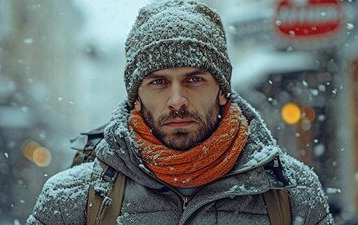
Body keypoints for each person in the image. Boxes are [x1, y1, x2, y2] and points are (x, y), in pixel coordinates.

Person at [27, 1, 333, 224]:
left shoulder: (293, 192)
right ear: (136, 97)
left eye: (194, 79)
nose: (177, 100)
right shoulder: (71, 198)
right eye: (159, 82)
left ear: (222, 91)